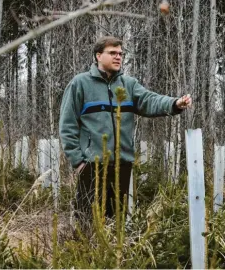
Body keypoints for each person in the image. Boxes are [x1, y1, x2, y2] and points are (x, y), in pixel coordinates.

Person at [59, 36, 192, 223]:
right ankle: (85, 252)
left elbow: (149, 100)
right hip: (92, 165)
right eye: (112, 53)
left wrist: (174, 103)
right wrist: (78, 162)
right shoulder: (80, 83)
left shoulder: (128, 84)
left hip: (122, 165)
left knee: (117, 223)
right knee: (87, 221)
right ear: (98, 55)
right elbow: (67, 124)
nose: (118, 57)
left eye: (120, 54)